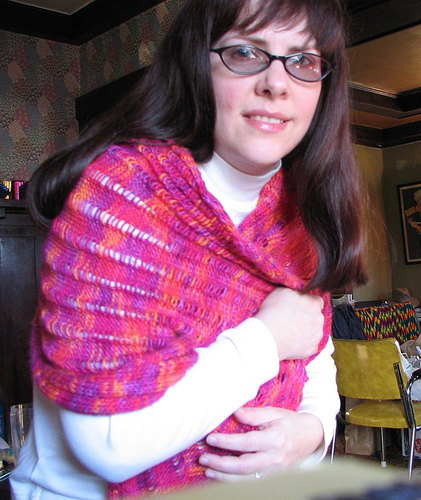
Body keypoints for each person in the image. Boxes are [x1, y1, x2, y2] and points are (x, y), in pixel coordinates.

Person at [10, 0, 368, 498]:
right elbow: (109, 441)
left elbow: (315, 354)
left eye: (303, 60)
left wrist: (312, 430)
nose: (277, 83)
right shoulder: (123, 196)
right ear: (198, 63)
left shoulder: (301, 216)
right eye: (246, 52)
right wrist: (267, 338)